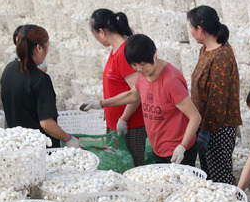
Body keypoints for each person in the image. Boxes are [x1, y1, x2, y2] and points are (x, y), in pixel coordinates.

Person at [80, 34, 201, 166]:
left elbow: (195, 117)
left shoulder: (171, 81)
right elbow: (133, 95)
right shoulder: (143, 75)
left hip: (177, 149)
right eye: (134, 65)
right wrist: (101, 104)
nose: (139, 69)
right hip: (158, 148)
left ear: (154, 54)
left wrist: (182, 146)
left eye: (142, 64)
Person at [1, 25, 80, 149]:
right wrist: (68, 138)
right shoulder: (41, 80)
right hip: (40, 148)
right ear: (39, 48)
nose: (47, 51)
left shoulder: (8, 70)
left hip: (17, 145)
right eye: (47, 47)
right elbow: (46, 123)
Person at [188, 5, 242, 184]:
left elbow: (217, 100)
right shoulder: (205, 50)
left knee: (220, 176)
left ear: (200, 29)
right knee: (208, 174)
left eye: (192, 28)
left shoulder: (221, 56)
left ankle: (233, 200)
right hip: (205, 123)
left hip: (218, 127)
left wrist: (206, 130)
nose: (191, 32)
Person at [85, 9, 146, 166]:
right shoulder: (115, 50)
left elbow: (136, 92)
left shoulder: (125, 53)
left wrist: (123, 119)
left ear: (101, 32)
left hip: (131, 126)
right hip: (116, 125)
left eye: (95, 35)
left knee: (134, 167)